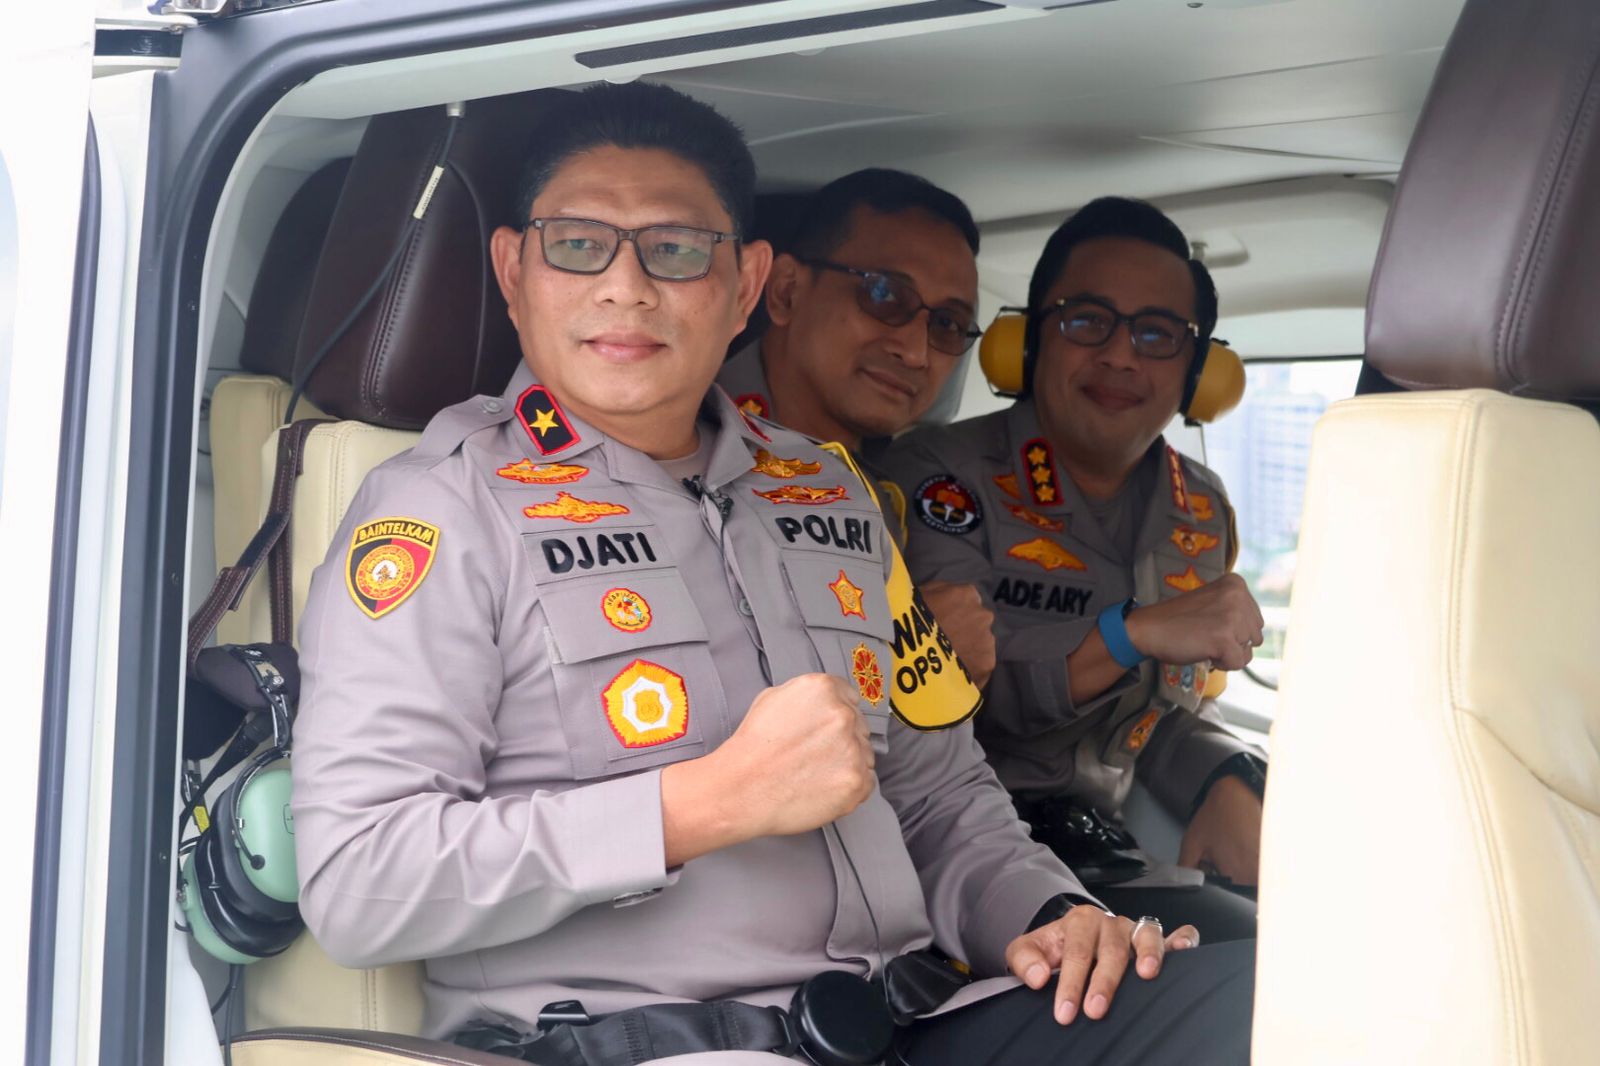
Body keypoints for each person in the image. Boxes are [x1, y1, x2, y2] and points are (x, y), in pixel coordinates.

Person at [291, 85, 1253, 1064]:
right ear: (513, 269)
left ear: (746, 284)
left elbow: (940, 795)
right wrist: (695, 807)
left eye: (675, 250)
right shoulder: (442, 511)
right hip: (653, 1040)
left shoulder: (829, 494)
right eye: (578, 244)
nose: (625, 288)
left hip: (914, 1018)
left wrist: (1055, 915)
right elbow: (359, 881)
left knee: (1272, 1000)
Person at [882, 198, 1267, 942]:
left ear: (1197, 371)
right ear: (1030, 342)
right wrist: (1130, 634)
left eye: (1157, 334)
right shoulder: (937, 477)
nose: (1120, 356)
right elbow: (955, 699)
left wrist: (1229, 773)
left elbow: (1168, 709)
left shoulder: (1202, 508)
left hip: (1106, 849)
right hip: (956, 852)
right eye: (1088, 320)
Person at [717, 167, 999, 685]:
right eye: (884, 295)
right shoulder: (682, 443)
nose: (915, 352)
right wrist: (911, 651)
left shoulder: (887, 486)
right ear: (787, 292)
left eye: (946, 325)